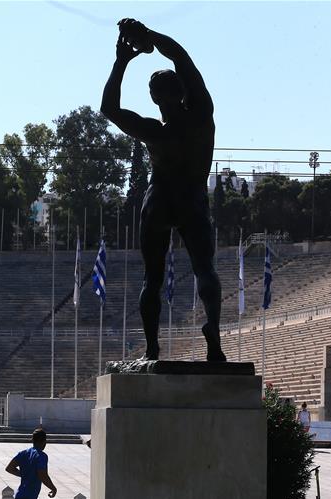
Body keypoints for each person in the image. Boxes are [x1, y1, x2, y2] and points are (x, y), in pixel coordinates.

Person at [100, 18, 225, 362]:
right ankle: (213, 338)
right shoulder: (201, 115)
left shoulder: (154, 131)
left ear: (154, 98)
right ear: (183, 91)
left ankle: (153, 348)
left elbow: (108, 108)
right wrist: (149, 35)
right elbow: (181, 56)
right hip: (192, 198)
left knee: (152, 278)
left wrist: (122, 61)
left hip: (160, 200)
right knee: (205, 269)